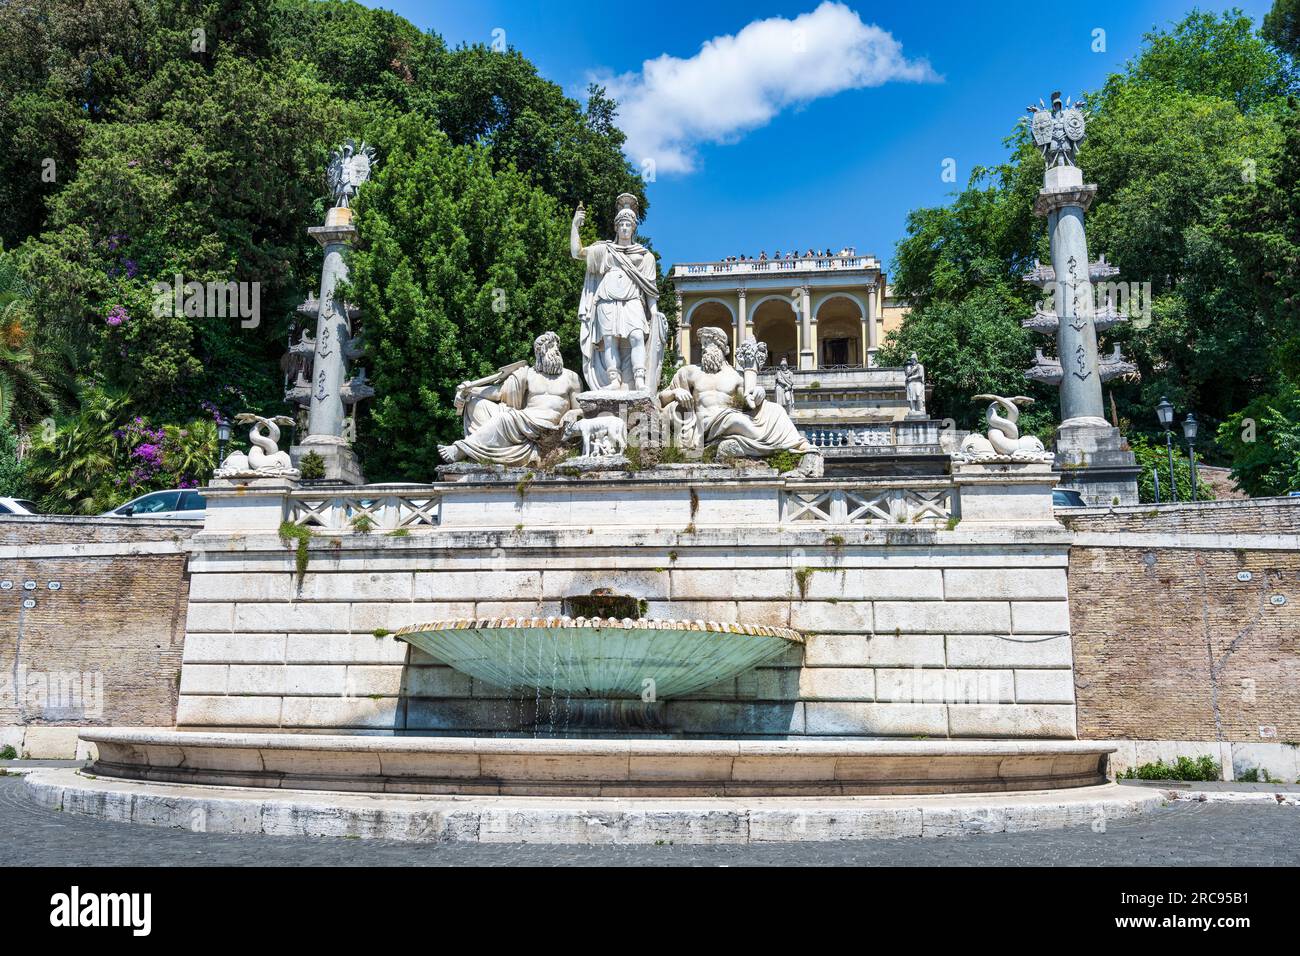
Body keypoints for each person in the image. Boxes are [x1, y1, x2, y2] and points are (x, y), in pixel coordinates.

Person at [660, 327, 813, 458]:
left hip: (728, 417)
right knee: (736, 420)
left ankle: (796, 444)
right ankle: (776, 444)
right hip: (702, 422)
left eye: (710, 344)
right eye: (703, 344)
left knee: (777, 410)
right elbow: (661, 399)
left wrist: (759, 393)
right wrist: (676, 392)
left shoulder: (735, 376)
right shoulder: (689, 372)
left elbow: (749, 402)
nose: (704, 348)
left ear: (724, 349)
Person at [438, 331, 582, 466]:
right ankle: (481, 452)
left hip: (547, 426)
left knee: (505, 418)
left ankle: (461, 449)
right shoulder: (528, 374)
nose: (556, 349)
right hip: (525, 420)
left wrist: (573, 413)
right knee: (476, 404)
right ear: (539, 351)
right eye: (551, 345)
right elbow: (499, 393)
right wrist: (469, 391)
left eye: (557, 345)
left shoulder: (571, 377)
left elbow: (582, 410)